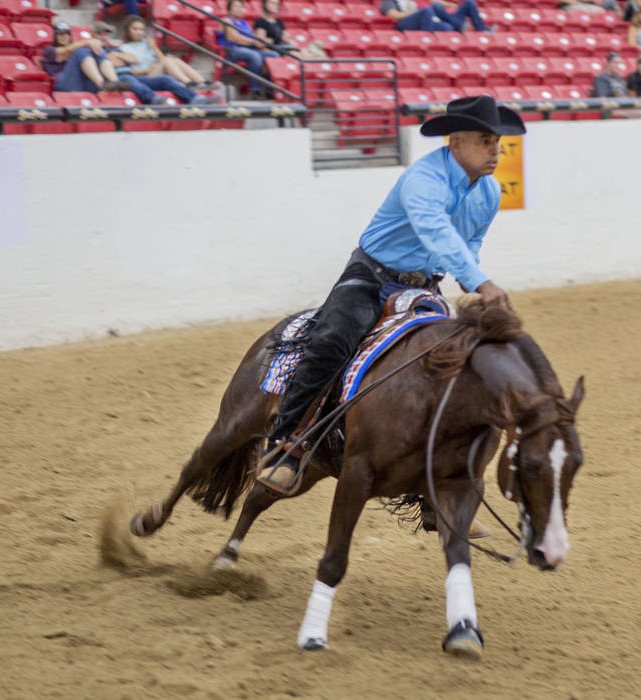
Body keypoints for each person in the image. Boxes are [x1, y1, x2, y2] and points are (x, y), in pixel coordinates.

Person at [258, 95, 521, 537]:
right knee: (332, 341)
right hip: (372, 276)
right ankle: (285, 446)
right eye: (484, 141)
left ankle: (436, 491)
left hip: (423, 286)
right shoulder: (423, 180)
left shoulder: (489, 192)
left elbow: (469, 240)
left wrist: (464, 277)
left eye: (496, 142)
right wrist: (480, 282)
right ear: (455, 142)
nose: (495, 151)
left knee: (448, 366)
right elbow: (437, 233)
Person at [118, 16, 221, 92]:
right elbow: (127, 73)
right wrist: (145, 70)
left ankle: (201, 82)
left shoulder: (147, 43)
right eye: (135, 29)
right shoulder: (123, 47)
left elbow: (162, 59)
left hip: (156, 72)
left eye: (141, 29)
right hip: (143, 78)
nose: (139, 32)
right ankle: (188, 83)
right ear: (128, 30)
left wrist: (154, 47)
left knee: (173, 60)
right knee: (167, 60)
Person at [40, 21, 132, 94]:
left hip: (81, 82)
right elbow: (64, 51)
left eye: (66, 34)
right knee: (81, 51)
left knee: (97, 50)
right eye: (60, 34)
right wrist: (88, 42)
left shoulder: (75, 47)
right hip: (63, 84)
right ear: (55, 37)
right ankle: (102, 84)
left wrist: (93, 45)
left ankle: (115, 82)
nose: (64, 36)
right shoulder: (49, 49)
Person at [219, 0, 281, 96]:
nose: (239, 9)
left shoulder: (244, 23)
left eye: (241, 7)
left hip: (248, 48)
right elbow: (234, 38)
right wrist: (254, 42)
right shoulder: (226, 21)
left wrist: (262, 41)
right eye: (236, 6)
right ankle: (256, 90)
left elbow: (253, 38)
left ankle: (271, 89)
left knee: (274, 55)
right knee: (254, 55)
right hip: (232, 50)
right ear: (229, 9)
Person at [379, 0, 490, 33]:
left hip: (425, 19)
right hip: (405, 24)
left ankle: (481, 30)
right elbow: (395, 15)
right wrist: (416, 12)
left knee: (447, 27)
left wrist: (449, 5)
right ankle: (426, 37)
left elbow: (433, 1)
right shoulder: (389, 1)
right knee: (427, 10)